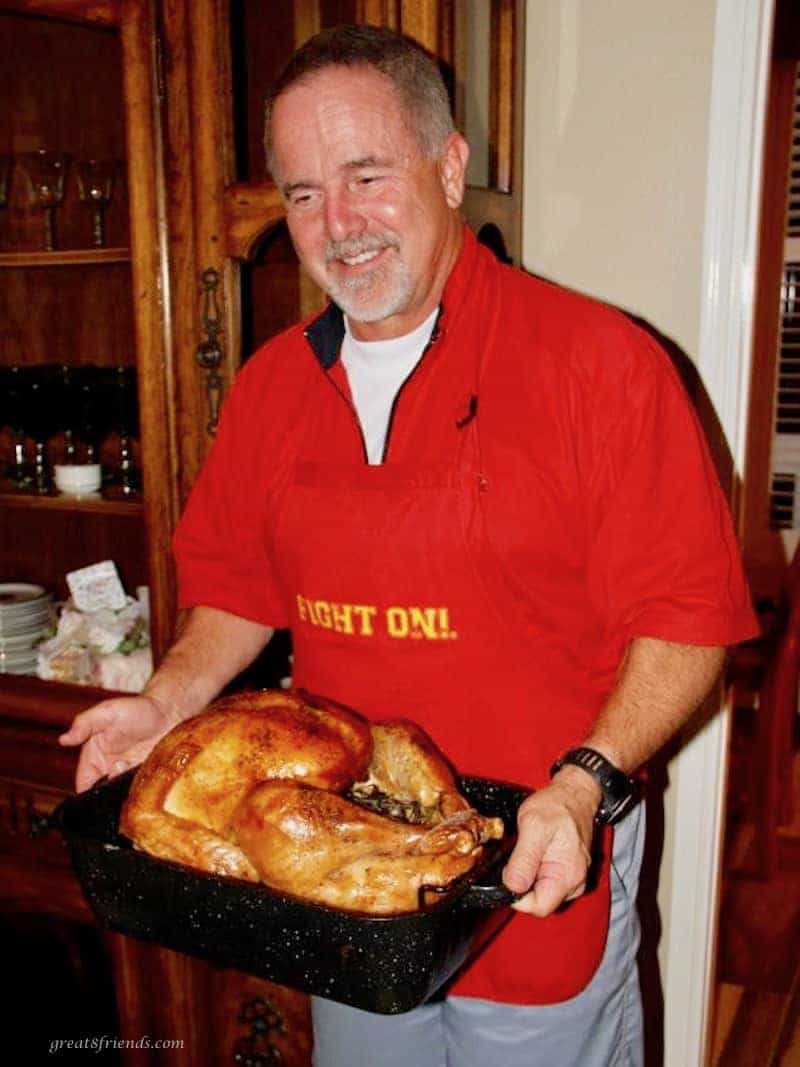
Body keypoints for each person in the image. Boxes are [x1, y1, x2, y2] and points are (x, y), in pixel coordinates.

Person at [60, 24, 758, 1067]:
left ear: (448, 164)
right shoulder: (270, 386)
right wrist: (165, 701)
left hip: (539, 855)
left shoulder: (599, 364)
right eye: (300, 192)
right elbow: (240, 586)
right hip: (347, 875)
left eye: (366, 174)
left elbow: (685, 619)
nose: (337, 223)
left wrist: (581, 784)